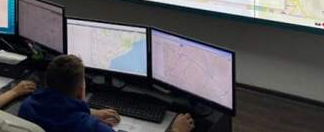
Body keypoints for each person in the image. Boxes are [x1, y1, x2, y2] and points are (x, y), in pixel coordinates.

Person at [19, 54, 195, 132]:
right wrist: (177, 130)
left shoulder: (26, 108)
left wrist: (88, 112)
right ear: (81, 92)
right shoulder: (92, 128)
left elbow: (58, 111)